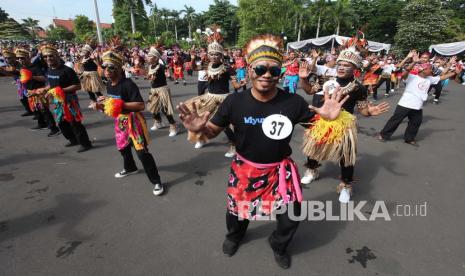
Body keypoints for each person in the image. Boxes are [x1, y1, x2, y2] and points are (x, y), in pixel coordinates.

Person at [178, 34, 350, 269]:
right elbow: (210, 132)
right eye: (260, 68)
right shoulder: (233, 102)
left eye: (273, 70)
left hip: (280, 170)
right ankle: (235, 236)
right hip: (245, 170)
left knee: (291, 216)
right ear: (249, 70)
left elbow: (321, 136)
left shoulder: (294, 102)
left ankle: (278, 245)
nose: (266, 75)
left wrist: (331, 121)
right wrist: (199, 130)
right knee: (237, 212)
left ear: (280, 73)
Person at [299, 32, 390, 202]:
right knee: (314, 150)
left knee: (346, 156)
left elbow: (362, 110)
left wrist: (370, 112)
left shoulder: (358, 87)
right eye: (340, 64)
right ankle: (312, 170)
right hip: (321, 122)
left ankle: (346, 185)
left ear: (355, 69)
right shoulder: (325, 77)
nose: (341, 67)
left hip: (343, 125)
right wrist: (303, 80)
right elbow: (309, 90)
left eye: (346, 66)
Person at [93, 50, 165, 196]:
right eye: (105, 66)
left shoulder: (128, 84)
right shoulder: (109, 84)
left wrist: (115, 102)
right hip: (120, 122)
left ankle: (156, 181)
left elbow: (140, 106)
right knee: (123, 149)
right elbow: (113, 106)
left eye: (111, 67)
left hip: (134, 122)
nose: (107, 70)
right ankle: (130, 168)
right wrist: (101, 105)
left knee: (142, 153)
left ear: (119, 69)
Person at [379, 50, 458, 146]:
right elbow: (404, 74)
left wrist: (454, 72)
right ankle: (384, 135)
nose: (431, 70)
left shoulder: (430, 79)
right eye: (429, 69)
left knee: (415, 122)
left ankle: (409, 138)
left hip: (418, 106)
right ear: (423, 70)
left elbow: (442, 77)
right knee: (395, 120)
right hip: (405, 104)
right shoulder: (412, 77)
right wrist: (414, 62)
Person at [185, 30, 244, 156]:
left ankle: (234, 145)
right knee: (200, 118)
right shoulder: (207, 65)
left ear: (221, 54)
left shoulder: (227, 68)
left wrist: (243, 83)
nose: (214, 56)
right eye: (211, 54)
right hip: (209, 98)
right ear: (208, 55)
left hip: (224, 99)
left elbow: (235, 86)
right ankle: (201, 138)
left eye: (217, 54)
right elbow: (194, 68)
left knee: (225, 125)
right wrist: (193, 57)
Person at [39, 44, 92, 152]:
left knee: (74, 122)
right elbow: (52, 84)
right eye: (45, 57)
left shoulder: (67, 70)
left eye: (51, 56)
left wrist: (61, 90)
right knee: (61, 123)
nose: (48, 58)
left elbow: (77, 86)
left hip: (70, 100)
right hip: (58, 101)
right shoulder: (49, 70)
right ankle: (73, 140)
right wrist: (45, 89)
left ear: (57, 56)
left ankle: (85, 143)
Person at [15, 48, 60, 135]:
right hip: (30, 92)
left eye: (22, 58)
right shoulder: (22, 68)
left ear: (27, 58)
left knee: (44, 111)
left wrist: (32, 77)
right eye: (18, 58)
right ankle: (42, 124)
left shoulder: (35, 68)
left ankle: (54, 129)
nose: (20, 60)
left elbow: (44, 78)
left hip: (39, 92)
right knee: (36, 110)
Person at [146, 47, 178, 136]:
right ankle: (158, 122)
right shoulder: (149, 66)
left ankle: (173, 126)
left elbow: (171, 78)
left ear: (156, 58)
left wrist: (169, 76)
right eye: (148, 56)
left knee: (165, 109)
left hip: (162, 89)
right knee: (152, 108)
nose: (147, 57)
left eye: (150, 56)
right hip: (153, 90)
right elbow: (148, 77)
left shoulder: (161, 67)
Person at [0, 48, 34, 116]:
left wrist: (14, 71)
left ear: (14, 58)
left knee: (29, 98)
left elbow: (23, 72)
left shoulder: (20, 63)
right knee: (22, 98)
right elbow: (9, 74)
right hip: (20, 83)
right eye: (6, 58)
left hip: (27, 82)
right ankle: (29, 111)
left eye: (9, 58)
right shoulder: (9, 65)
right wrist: (3, 71)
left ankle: (36, 113)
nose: (7, 60)